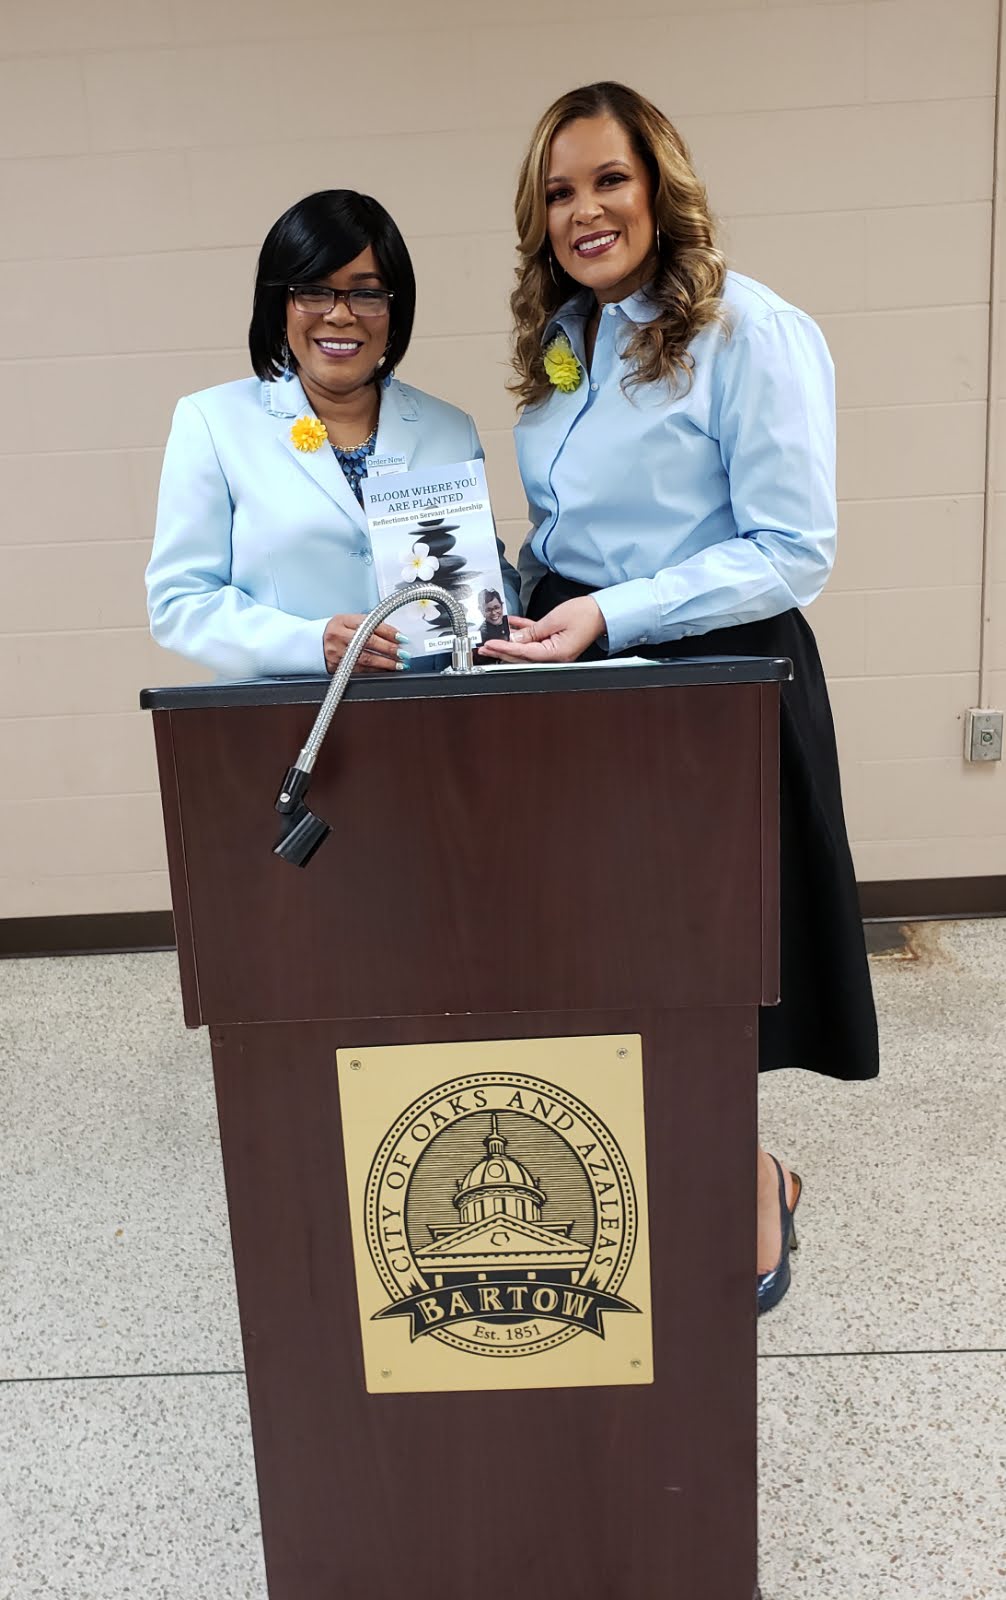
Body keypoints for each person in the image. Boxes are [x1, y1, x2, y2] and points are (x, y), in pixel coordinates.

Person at [478, 82, 879, 1313]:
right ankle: (690, 1160)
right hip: (592, 684)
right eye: (558, 192)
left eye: (608, 179)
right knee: (616, 956)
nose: (585, 211)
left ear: (659, 184)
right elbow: (569, 529)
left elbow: (791, 549)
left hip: (718, 685)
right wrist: (487, 581)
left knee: (717, 966)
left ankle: (755, 1178)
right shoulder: (568, 342)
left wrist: (614, 614)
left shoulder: (748, 330)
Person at [146, 190, 518, 680]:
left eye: (366, 293)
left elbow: (489, 580)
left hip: (431, 716)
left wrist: (493, 610)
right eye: (314, 291)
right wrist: (309, 643)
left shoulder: (449, 428)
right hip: (284, 718)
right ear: (279, 303)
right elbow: (180, 601)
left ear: (393, 309)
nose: (340, 314)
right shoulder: (213, 423)